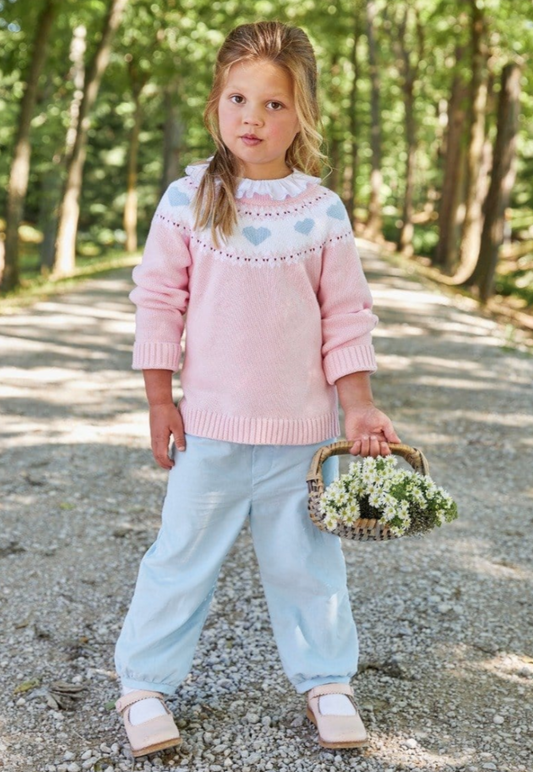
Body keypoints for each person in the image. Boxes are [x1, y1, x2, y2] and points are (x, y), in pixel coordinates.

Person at [114, 19, 401, 759]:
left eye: (274, 105)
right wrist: (158, 398)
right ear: (215, 101)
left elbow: (345, 314)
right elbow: (158, 302)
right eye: (238, 98)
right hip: (209, 430)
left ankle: (326, 679)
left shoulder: (320, 210)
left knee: (307, 565)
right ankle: (144, 685)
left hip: (302, 438)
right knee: (179, 559)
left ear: (301, 113)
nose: (252, 118)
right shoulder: (188, 202)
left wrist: (358, 403)